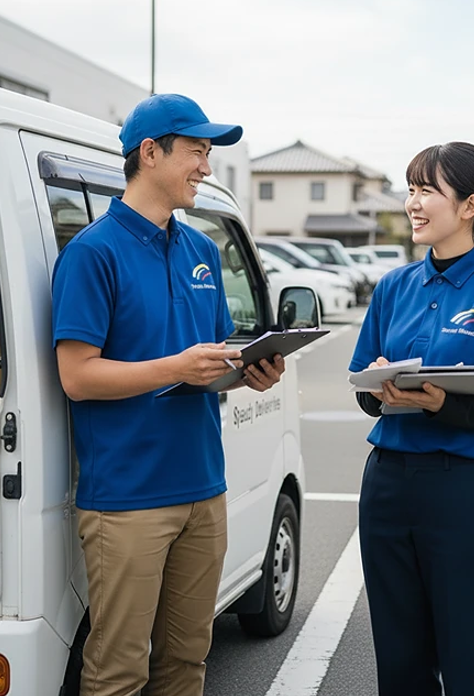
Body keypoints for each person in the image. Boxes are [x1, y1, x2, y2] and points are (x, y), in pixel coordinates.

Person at [51, 93, 285, 696]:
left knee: (187, 661)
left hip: (204, 487)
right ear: (149, 153)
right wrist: (177, 368)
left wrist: (248, 370)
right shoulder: (92, 253)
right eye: (196, 152)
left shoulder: (203, 250)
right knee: (119, 670)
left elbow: (201, 363)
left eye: (208, 153)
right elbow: (77, 376)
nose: (206, 167)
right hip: (128, 498)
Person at [349, 141, 474, 696]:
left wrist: (441, 403)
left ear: (469, 205)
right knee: (399, 658)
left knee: (468, 657)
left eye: (427, 190)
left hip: (463, 491)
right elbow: (363, 389)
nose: (413, 202)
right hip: (386, 485)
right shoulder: (392, 287)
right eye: (411, 188)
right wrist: (381, 387)